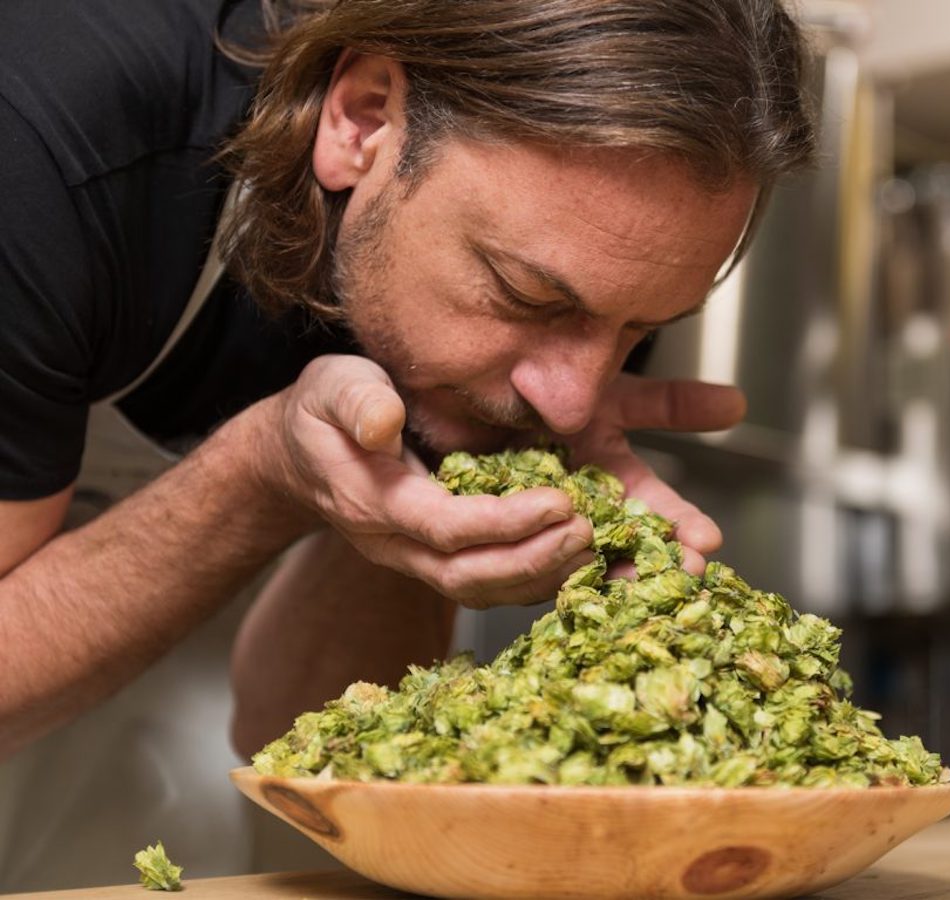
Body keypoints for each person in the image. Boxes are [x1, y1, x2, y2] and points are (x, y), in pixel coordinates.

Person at [0, 0, 815, 888]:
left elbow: (292, 720)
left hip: (151, 760)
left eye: (636, 330)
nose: (574, 401)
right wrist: (262, 474)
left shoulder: (594, 265)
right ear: (364, 118)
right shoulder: (41, 139)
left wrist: (420, 508)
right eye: (527, 297)